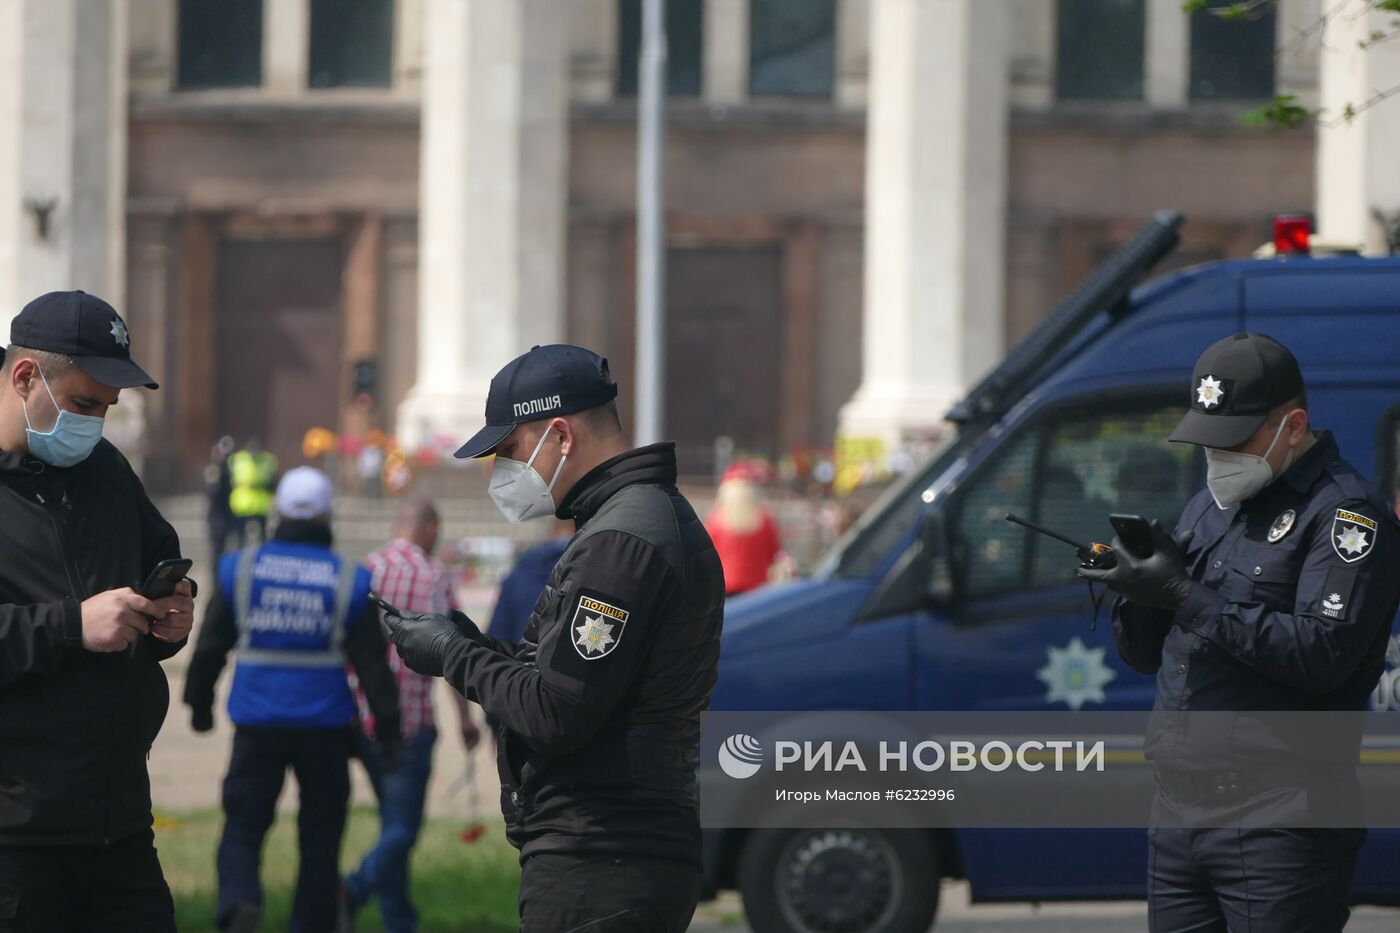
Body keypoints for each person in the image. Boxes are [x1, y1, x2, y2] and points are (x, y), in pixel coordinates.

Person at [383, 344, 725, 932]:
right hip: (611, 851)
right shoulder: (626, 522)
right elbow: (573, 681)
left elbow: (557, 712)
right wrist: (472, 641)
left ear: (560, 435)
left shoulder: (622, 544)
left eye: (510, 451)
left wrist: (451, 653)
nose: (503, 473)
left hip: (603, 857)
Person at [1081, 333, 1400, 932]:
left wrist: (1185, 596)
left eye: (1232, 440)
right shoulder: (1210, 506)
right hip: (1179, 814)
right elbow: (1149, 658)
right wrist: (1138, 593)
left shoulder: (1345, 516)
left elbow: (1321, 654)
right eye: (1206, 439)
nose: (1216, 456)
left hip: (1280, 820)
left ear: (1294, 426)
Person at [0, 290, 195, 932]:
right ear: (26, 377)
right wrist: (69, 626)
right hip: (17, 843)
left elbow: (156, 565)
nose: (95, 425)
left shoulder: (104, 468)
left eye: (107, 410)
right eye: (84, 404)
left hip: (118, 829)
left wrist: (169, 618)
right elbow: (80, 624)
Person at [184, 466, 402, 933]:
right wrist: (388, 732)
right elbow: (372, 666)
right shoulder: (348, 578)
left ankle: (239, 902)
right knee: (320, 839)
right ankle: (311, 923)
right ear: (328, 515)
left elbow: (210, 647)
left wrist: (198, 704)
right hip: (324, 730)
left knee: (243, 825)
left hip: (257, 724)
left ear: (278, 511)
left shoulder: (239, 568)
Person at [345, 498, 481, 933]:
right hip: (411, 722)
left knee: (392, 825)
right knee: (403, 829)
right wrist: (464, 718)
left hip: (361, 719)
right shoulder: (434, 576)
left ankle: (399, 920)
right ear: (429, 529)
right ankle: (350, 891)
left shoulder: (365, 571)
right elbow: (452, 653)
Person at [486, 519, 572, 648]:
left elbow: (498, 637)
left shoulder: (518, 573)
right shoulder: (597, 569)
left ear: (551, 532)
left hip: (522, 661)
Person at [705, 467, 783, 596]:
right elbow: (773, 554)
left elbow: (708, 556)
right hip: (757, 587)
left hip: (725, 586)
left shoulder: (716, 520)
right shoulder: (765, 520)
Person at [228, 436, 278, 548]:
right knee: (240, 537)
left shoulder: (267, 460)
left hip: (260, 505)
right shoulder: (237, 459)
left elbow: (272, 480)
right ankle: (238, 557)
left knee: (263, 537)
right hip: (242, 505)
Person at [205, 434, 235, 559]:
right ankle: (216, 578)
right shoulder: (215, 469)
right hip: (217, 517)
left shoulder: (228, 469)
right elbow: (213, 492)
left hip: (226, 515)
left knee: (226, 550)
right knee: (217, 551)